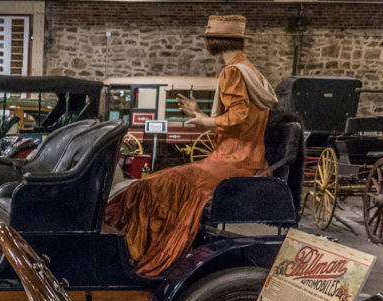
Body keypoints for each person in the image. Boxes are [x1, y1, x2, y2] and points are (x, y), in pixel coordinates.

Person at [114, 15, 277, 276]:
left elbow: (240, 116)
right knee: (160, 179)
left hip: (233, 161)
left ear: (216, 41)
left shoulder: (234, 71)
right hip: (242, 158)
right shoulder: (249, 71)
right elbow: (238, 120)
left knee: (155, 185)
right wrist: (200, 113)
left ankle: (147, 252)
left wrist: (206, 119)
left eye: (208, 38)